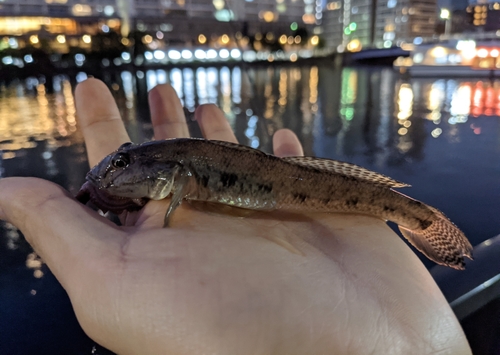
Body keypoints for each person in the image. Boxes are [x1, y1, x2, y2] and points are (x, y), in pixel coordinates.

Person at [0, 79, 471, 355]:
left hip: (294, 187)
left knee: (331, 187)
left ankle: (412, 215)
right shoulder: (165, 166)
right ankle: (408, 213)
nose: (114, 172)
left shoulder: (173, 173)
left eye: (123, 164)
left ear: (166, 172)